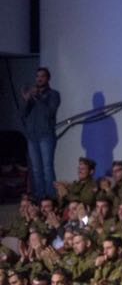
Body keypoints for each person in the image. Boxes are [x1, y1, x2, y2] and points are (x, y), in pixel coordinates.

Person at [21, 67, 60, 201]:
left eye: (42, 76)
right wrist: (27, 100)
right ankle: (39, 197)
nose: (39, 79)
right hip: (32, 136)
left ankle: (51, 197)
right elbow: (23, 114)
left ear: (48, 78)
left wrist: (38, 97)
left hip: (46, 135)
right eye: (37, 76)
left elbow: (50, 112)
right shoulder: (32, 97)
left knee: (47, 168)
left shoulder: (53, 94)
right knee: (36, 169)